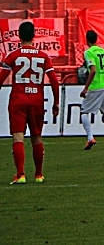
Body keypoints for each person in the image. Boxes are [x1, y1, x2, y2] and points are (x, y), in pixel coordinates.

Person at [0, 21, 60, 183]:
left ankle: (20, 174)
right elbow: (54, 81)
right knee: (36, 137)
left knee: (18, 137)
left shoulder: (12, 56)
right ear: (34, 36)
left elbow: (1, 79)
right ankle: (39, 174)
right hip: (37, 101)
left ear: (19, 36)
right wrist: (56, 102)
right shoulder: (43, 56)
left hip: (18, 101)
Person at [80, 30, 104, 150]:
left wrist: (86, 88)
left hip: (96, 87)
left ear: (87, 40)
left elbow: (93, 70)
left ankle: (90, 138)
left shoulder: (88, 52)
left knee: (84, 112)